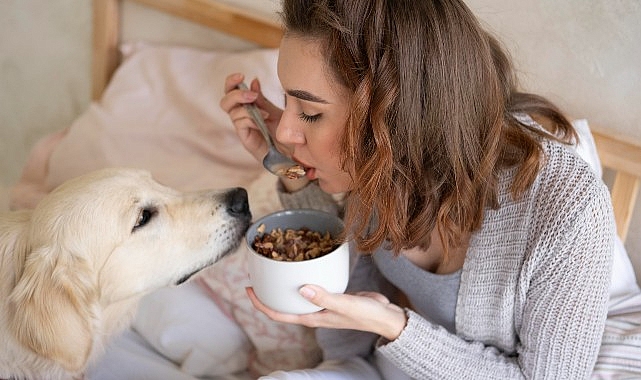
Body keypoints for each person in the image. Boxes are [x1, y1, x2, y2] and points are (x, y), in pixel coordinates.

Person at [220, 0, 616, 378]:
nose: (287, 131)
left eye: (309, 111)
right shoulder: (382, 165)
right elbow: (344, 280)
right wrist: (287, 164)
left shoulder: (571, 210)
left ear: (395, 116)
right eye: (287, 100)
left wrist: (397, 327)